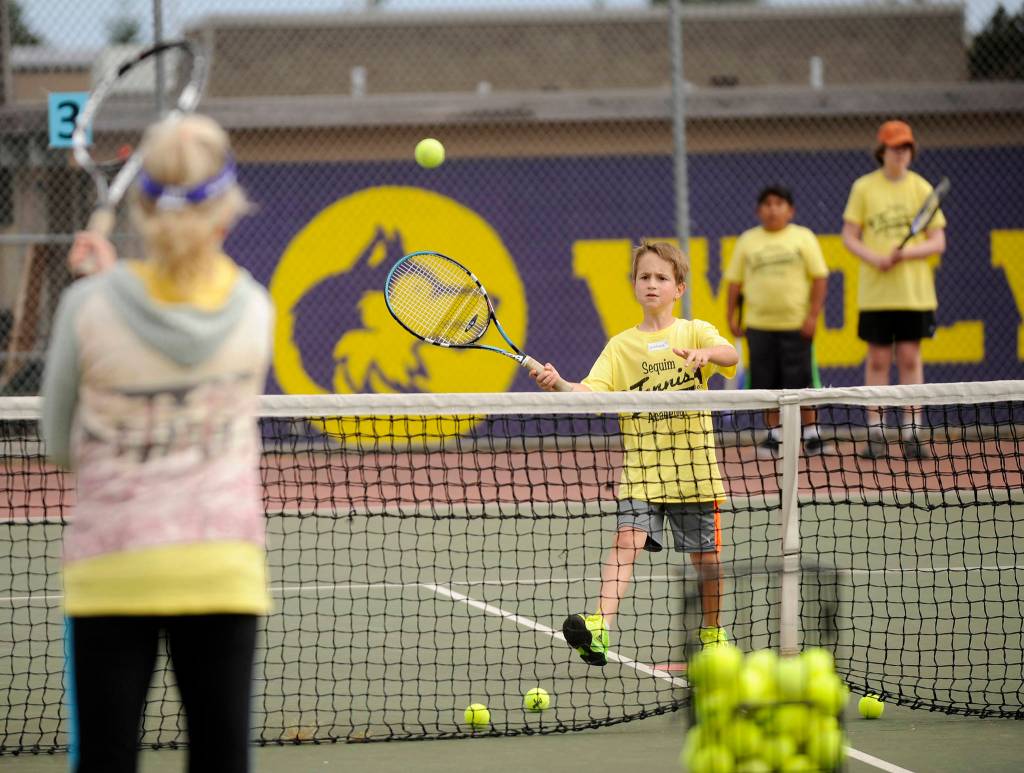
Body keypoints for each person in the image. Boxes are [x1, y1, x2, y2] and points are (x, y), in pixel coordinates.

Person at [42, 114, 272, 773]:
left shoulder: (86, 308)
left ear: (141, 207)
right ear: (225, 212)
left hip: (113, 571)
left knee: (106, 761)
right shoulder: (256, 310)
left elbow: (59, 444)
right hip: (222, 570)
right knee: (220, 759)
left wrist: (96, 287)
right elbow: (173, 313)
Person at [531, 241, 738, 664]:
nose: (652, 284)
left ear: (679, 287)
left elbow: (731, 354)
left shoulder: (694, 331)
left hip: (694, 470)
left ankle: (713, 636)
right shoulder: (621, 346)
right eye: (644, 276)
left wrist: (706, 354)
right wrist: (560, 384)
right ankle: (599, 627)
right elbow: (587, 392)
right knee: (626, 541)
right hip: (642, 470)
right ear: (634, 284)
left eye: (662, 277)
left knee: (707, 560)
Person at [841, 119, 946, 460]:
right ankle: (876, 434)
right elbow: (849, 236)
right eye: (894, 147)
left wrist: (906, 254)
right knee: (878, 359)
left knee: (910, 358)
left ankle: (912, 433)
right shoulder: (864, 188)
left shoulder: (921, 188)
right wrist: (875, 258)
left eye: (905, 148)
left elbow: (937, 241)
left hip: (913, 294)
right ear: (882, 151)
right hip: (876, 294)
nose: (900, 153)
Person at [724, 185, 829, 457]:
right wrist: (731, 317)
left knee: (803, 382)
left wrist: (812, 316)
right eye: (767, 204)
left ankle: (812, 434)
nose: (773, 209)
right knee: (766, 384)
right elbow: (734, 282)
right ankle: (774, 436)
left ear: (790, 210)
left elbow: (819, 278)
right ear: (759, 210)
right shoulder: (748, 240)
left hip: (797, 326)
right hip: (758, 327)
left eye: (779, 203)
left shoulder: (803, 238)